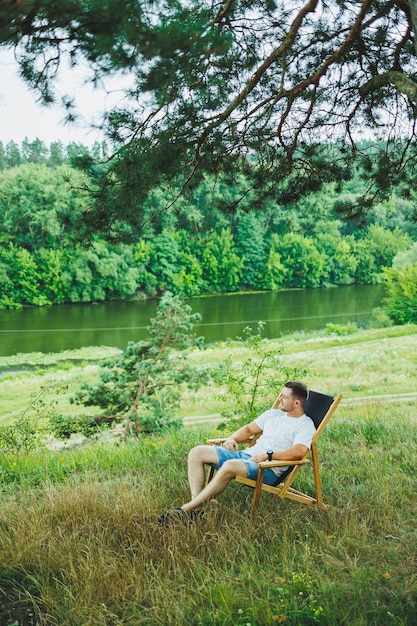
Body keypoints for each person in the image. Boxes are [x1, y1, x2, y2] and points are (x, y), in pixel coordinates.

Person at [158, 380, 315, 526]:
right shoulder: (273, 414)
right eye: (281, 395)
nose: (280, 398)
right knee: (197, 452)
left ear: (297, 402)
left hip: (267, 467)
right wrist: (232, 439)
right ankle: (196, 512)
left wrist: (268, 456)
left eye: (284, 397)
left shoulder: (305, 425)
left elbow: (299, 451)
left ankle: (185, 510)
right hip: (247, 456)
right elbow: (248, 430)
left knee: (229, 465)